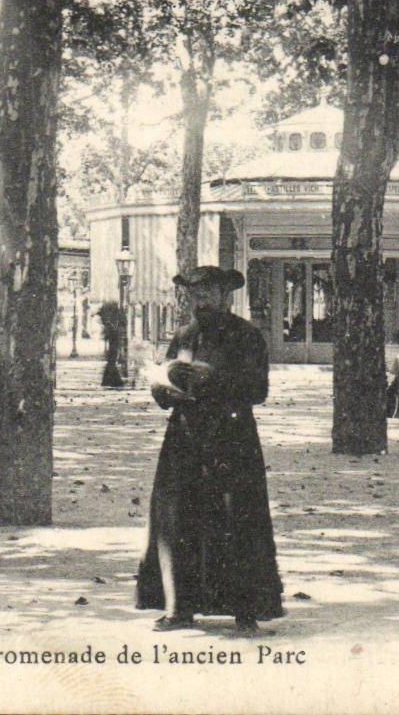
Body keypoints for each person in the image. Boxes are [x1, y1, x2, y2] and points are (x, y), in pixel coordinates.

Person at [137, 266, 282, 635]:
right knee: (177, 520)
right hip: (185, 439)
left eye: (207, 294)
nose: (199, 301)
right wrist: (162, 389)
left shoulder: (247, 336)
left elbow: (258, 390)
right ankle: (178, 608)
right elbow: (166, 380)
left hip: (232, 439)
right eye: (194, 294)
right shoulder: (184, 336)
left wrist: (213, 379)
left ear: (225, 296)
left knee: (236, 519)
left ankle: (245, 610)